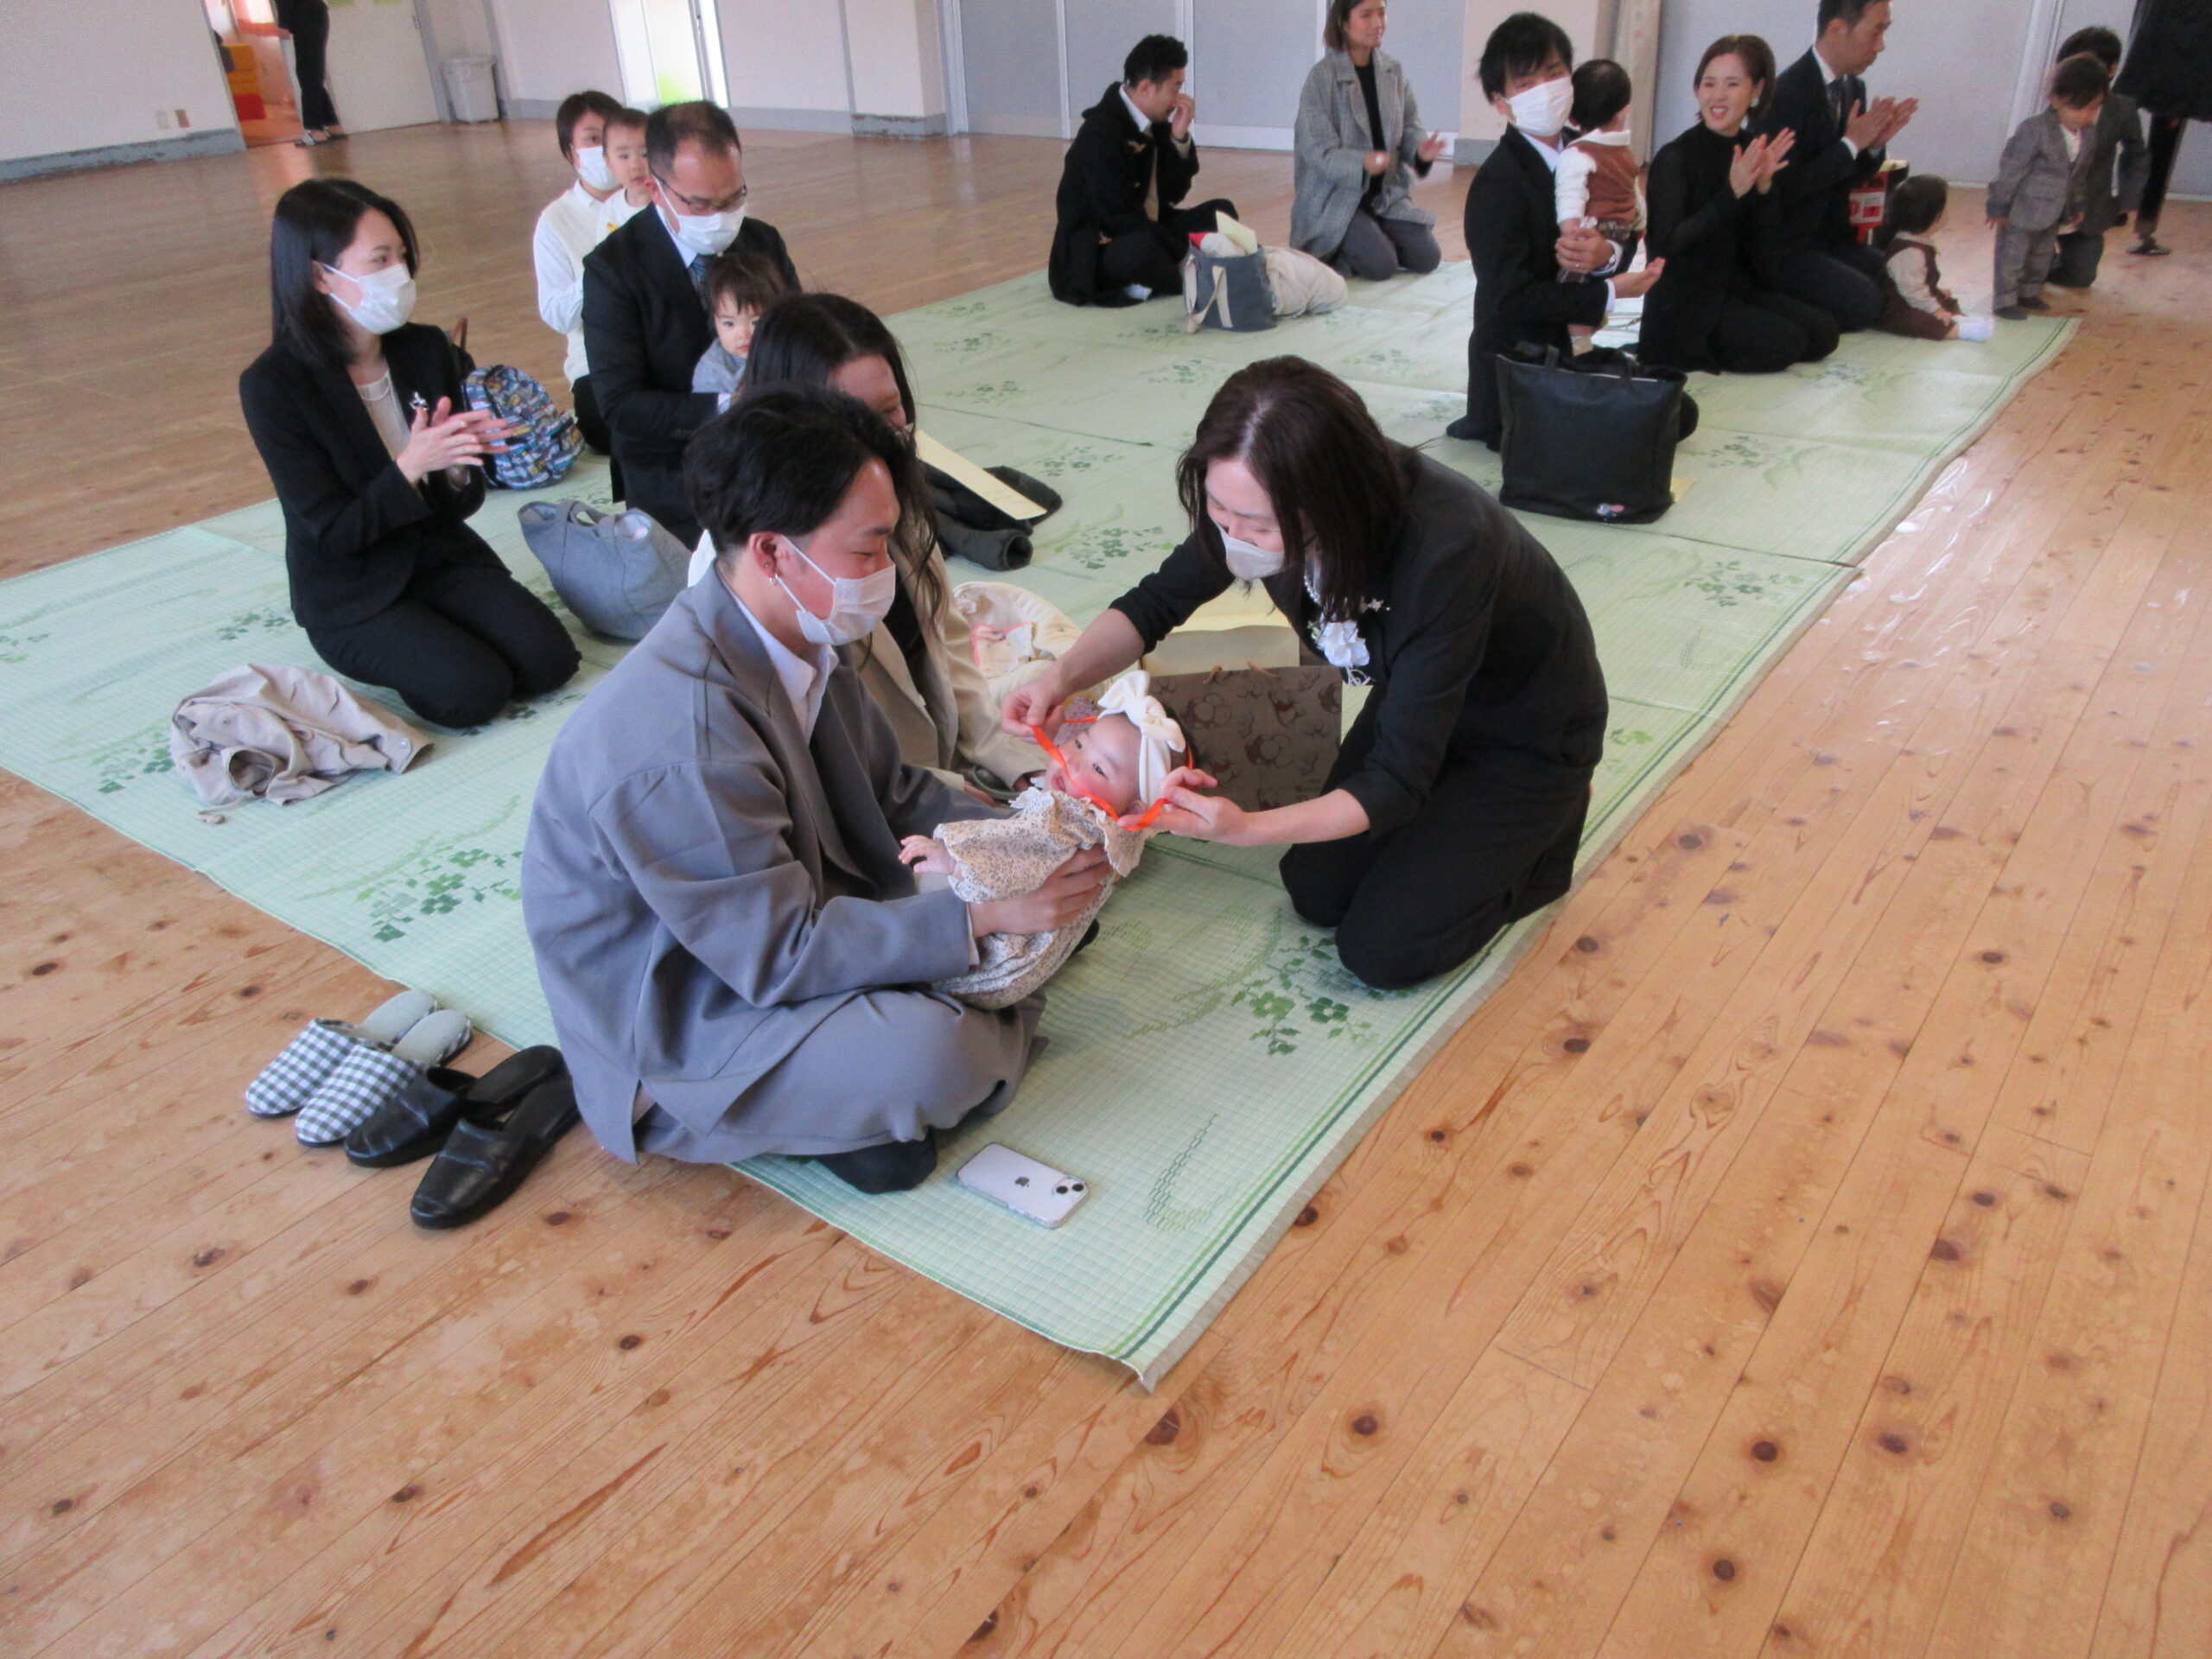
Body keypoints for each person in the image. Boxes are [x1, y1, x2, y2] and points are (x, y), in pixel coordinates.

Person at [521, 387, 1111, 1192]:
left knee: (1044, 890)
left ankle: (897, 1056)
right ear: (771, 552)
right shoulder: (680, 738)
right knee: (932, 1053)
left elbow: (894, 793)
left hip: (786, 918)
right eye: (868, 552)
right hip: (689, 1011)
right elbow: (773, 953)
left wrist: (1040, 827)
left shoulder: (793, 632)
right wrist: (987, 915)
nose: (886, 573)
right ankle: (801, 1097)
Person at [1007, 358, 1608, 991]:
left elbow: (1396, 782)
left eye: (1260, 525)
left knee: (1382, 952)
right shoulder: (1251, 503)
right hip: (1418, 702)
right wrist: (1061, 677)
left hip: (1526, 733)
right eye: (1218, 510)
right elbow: (1156, 603)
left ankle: (1547, 827)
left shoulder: (1449, 546)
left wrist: (1247, 828)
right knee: (1315, 891)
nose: (1234, 536)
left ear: (1331, 502)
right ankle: (1467, 835)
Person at [238, 180, 580, 730]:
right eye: (379, 259)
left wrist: (455, 466)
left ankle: (442, 632)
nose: (399, 272)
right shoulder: (273, 385)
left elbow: (460, 504)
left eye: (401, 255)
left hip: (438, 557)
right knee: (471, 694)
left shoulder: (424, 348)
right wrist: (411, 466)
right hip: (351, 588)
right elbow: (334, 530)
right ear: (321, 274)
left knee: (550, 662)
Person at [731, 293, 1047, 791]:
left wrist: (1011, 762)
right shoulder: (759, 567)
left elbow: (946, 636)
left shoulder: (889, 484)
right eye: (854, 422)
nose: (881, 439)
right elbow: (830, 766)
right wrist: (962, 804)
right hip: (868, 803)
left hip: (930, 774)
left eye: (891, 410)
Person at [582, 100, 801, 546]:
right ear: (654, 186)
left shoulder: (760, 240)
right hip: (674, 466)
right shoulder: (613, 269)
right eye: (700, 204)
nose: (721, 217)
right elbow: (621, 405)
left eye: (734, 197)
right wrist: (729, 404)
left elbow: (801, 339)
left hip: (769, 443)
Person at [900, 671, 1185, 1009]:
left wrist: (952, 858)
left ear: (1136, 807)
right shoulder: (1118, 832)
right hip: (1022, 969)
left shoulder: (1067, 820)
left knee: (918, 881)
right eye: (1079, 742)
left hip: (983, 966)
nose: (1072, 760)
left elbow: (1008, 851)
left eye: (1098, 770)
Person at [1445, 12, 1666, 448]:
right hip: (1516, 368)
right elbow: (1510, 296)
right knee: (1653, 422)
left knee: (1672, 407)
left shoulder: (1594, 150)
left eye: (1554, 74)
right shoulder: (1497, 183)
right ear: (1500, 103)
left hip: (1570, 348)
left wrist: (1606, 257)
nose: (1544, 91)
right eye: (1526, 85)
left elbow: (1625, 224)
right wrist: (1611, 291)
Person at [1639, 35, 1840, 374]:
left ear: (1757, 91)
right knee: (1786, 343)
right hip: (1689, 301)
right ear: (1698, 90)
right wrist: (1731, 193)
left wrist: (1763, 191)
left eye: (1732, 84)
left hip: (1738, 288)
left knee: (1824, 334)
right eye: (1709, 84)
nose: (1717, 96)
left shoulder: (1751, 149)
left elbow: (1766, 254)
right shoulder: (1675, 156)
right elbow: (1667, 245)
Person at [1753, 0, 1917, 333]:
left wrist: (1871, 148)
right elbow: (1783, 190)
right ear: (1837, 29)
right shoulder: (1785, 94)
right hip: (1787, 245)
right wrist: (1850, 145)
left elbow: (1847, 178)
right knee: (1865, 302)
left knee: (1901, 274)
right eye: (1876, 31)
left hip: (1831, 238)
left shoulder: (1852, 86)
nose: (1881, 45)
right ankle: (1767, 301)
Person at [1048, 35, 1239, 306]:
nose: (1178, 100)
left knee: (1221, 214)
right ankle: (1185, 272)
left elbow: (1171, 195)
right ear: (1147, 87)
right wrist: (1182, 248)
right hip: (1100, 247)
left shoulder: (1154, 121)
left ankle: (1166, 276)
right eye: (1175, 88)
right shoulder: (1100, 132)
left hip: (1149, 226)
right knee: (1143, 249)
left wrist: (1179, 138)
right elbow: (1120, 217)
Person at [1291, 0, 1447, 281]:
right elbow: (1317, 152)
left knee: (1428, 257)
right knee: (1382, 266)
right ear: (1343, 22)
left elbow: (1411, 126)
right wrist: (1362, 163)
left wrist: (1421, 151)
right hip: (1336, 199)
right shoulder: (1321, 78)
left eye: (1382, 13)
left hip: (1383, 197)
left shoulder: (1393, 71)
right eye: (1366, 15)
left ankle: (1372, 235)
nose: (1378, 23)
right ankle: (1338, 249)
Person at [533, 95, 652, 454]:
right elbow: (557, 314)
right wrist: (604, 271)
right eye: (591, 139)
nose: (604, 150)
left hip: (661, 342)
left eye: (611, 137)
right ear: (571, 153)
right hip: (599, 358)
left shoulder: (661, 198)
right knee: (609, 425)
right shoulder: (556, 220)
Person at [1989, 54, 2107, 319]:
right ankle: (2005, 299)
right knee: (2012, 256)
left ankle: (2029, 292)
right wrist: (1998, 204)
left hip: (2054, 212)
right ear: (2055, 99)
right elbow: (2011, 170)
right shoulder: (2034, 130)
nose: (2089, 115)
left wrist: (2078, 203)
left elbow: (2080, 174)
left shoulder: (2088, 134)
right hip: (2021, 209)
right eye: (2082, 108)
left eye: (2095, 108)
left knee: (2041, 255)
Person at [2047, 27, 2145, 288]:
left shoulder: (2122, 109)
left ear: (2112, 69)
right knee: (2030, 270)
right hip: (2044, 207)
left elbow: (2136, 153)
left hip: (2089, 208)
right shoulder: (2057, 102)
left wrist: (2129, 196)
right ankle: (2039, 264)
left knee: (2081, 277)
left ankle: (2054, 265)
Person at [1556, 59, 1643, 347]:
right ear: (1623, 113)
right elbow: (1636, 194)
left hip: (1593, 234)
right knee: (1592, 293)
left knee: (1571, 295)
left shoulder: (1577, 153)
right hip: (1622, 234)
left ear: (1572, 117)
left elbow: (1570, 195)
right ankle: (1594, 321)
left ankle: (1580, 350)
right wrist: (1640, 226)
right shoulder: (1626, 153)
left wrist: (1571, 233)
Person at [2115, 0, 2209, 257]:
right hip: (2180, 50)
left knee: (2137, 132)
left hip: (2167, 45)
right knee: (2146, 134)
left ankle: (2135, 219)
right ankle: (2137, 220)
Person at [1874, 175, 1990, 339]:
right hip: (1900, 308)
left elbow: (1917, 281)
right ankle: (1959, 331)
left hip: (1911, 298)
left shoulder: (1917, 243)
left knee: (1945, 300)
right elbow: (1912, 291)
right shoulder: (1910, 252)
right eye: (1945, 209)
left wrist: (1936, 293)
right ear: (1933, 215)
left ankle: (1953, 320)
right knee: (1919, 321)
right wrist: (1935, 310)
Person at [273, 0, 344, 148]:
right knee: (312, 74)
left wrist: (283, 25)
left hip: (306, 20)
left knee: (308, 75)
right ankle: (333, 126)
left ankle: (316, 131)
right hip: (313, 17)